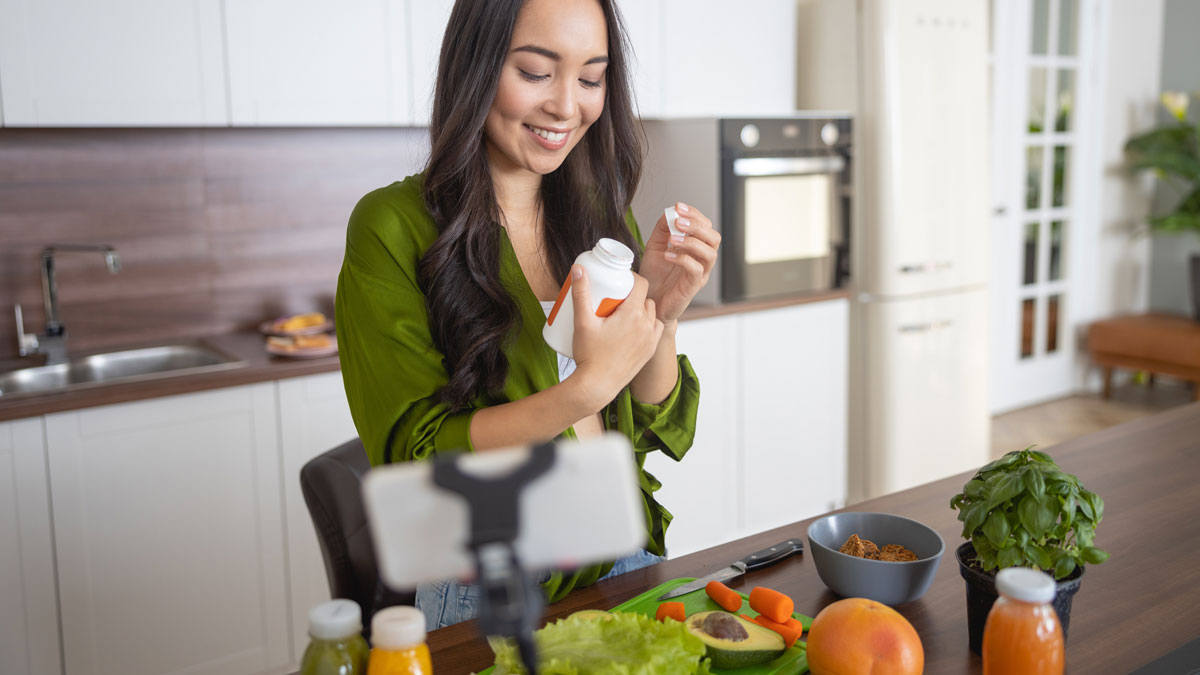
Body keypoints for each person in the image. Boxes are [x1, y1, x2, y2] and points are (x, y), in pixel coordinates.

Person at [335, 0, 720, 630]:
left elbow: (650, 425)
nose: (567, 107)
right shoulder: (392, 227)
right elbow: (417, 459)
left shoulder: (598, 218)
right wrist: (585, 387)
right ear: (476, 68)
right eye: (537, 72)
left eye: (591, 79)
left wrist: (662, 316)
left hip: (627, 555)